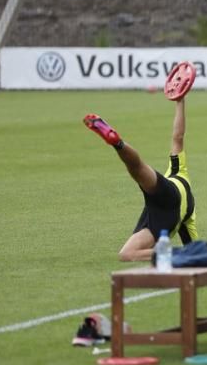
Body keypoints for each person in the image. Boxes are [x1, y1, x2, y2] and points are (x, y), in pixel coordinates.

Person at [83, 98, 197, 262]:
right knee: (127, 255)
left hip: (164, 192)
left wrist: (180, 101)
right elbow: (194, 248)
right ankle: (168, 253)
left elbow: (178, 137)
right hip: (167, 213)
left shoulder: (178, 170)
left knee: (138, 168)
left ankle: (118, 143)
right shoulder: (190, 215)